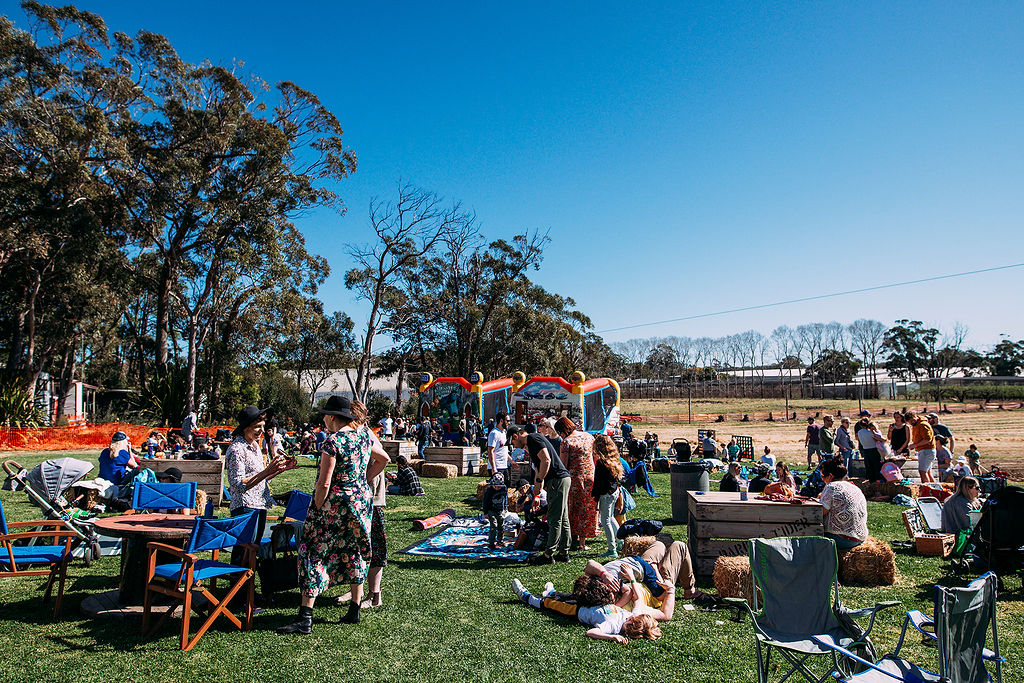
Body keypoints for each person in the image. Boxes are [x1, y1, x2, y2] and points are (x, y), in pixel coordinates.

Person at [279, 396, 390, 634]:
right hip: (360, 503)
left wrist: (318, 506)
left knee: (313, 551)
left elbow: (324, 482)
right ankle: (354, 610)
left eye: (324, 416)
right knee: (355, 550)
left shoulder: (332, 442)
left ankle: (305, 617)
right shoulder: (363, 437)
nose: (323, 420)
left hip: (334, 505)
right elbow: (384, 459)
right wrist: (362, 481)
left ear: (331, 417)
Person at [225, 406, 293, 575]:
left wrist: (280, 469)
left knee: (253, 549)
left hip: (259, 504)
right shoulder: (236, 449)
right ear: (245, 427)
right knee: (243, 550)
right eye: (257, 427)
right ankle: (237, 587)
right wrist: (266, 471)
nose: (261, 431)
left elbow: (261, 478)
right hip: (245, 506)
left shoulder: (254, 446)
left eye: (263, 426)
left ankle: (248, 587)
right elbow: (238, 485)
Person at [512, 573, 674, 644]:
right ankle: (552, 592)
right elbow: (637, 599)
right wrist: (631, 578)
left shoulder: (613, 626)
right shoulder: (629, 616)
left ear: (631, 625)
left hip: (576, 612)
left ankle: (526, 597)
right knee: (569, 596)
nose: (630, 617)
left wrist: (612, 637)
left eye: (631, 620)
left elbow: (590, 632)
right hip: (592, 603)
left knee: (549, 604)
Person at [510, 424, 571, 564]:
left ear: (515, 436)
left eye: (513, 443)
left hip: (557, 480)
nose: (515, 446)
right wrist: (537, 493)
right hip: (561, 480)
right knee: (563, 517)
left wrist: (539, 481)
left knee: (554, 518)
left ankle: (548, 555)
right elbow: (539, 468)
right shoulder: (532, 443)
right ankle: (564, 552)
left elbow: (546, 460)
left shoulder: (532, 438)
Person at [352, 401, 388, 610]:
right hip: (363, 500)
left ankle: (375, 595)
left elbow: (383, 459)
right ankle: (355, 590)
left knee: (374, 548)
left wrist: (363, 479)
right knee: (358, 547)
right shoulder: (358, 434)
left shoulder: (365, 435)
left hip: (371, 501)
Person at [557, 417, 597, 552]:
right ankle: (583, 541)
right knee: (587, 508)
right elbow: (595, 456)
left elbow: (563, 464)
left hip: (574, 479)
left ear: (563, 430)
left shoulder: (566, 442)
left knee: (573, 508)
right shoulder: (589, 437)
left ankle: (571, 537)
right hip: (590, 477)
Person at [818, 460, 868, 550]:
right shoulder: (854, 487)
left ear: (830, 476)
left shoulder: (832, 487)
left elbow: (819, 513)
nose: (822, 479)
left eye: (823, 476)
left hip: (842, 538)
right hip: (860, 537)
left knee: (807, 534)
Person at [592, 435, 623, 558]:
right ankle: (620, 541)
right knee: (611, 518)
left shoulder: (601, 463)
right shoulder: (614, 459)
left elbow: (598, 483)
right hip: (614, 491)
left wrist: (596, 499)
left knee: (605, 521)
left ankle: (612, 549)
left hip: (605, 494)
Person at [906, 411, 936, 483]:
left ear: (915, 417)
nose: (912, 422)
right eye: (910, 422)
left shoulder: (922, 425)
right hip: (925, 450)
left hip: (926, 450)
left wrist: (915, 445)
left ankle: (926, 487)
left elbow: (927, 439)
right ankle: (934, 487)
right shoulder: (916, 425)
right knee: (928, 472)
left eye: (912, 420)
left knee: (922, 472)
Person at [482, 473, 509, 549]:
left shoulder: (504, 488)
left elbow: (505, 498)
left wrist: (506, 507)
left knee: (501, 525)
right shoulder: (489, 490)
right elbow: (485, 502)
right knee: (493, 526)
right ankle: (491, 542)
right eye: (495, 486)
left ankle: (500, 540)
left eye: (499, 486)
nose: (497, 488)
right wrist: (485, 512)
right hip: (491, 510)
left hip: (500, 510)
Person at [856, 413, 885, 482]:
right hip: (874, 450)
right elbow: (881, 439)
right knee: (876, 467)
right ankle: (878, 480)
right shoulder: (870, 432)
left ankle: (871, 480)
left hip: (865, 450)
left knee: (869, 467)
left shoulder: (859, 432)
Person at [487, 412, 511, 484]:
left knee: (506, 486)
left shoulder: (503, 432)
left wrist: (512, 461)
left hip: (504, 465)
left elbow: (503, 450)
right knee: (498, 488)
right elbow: (490, 451)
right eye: (507, 421)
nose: (509, 423)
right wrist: (494, 468)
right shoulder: (494, 433)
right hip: (497, 466)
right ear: (501, 421)